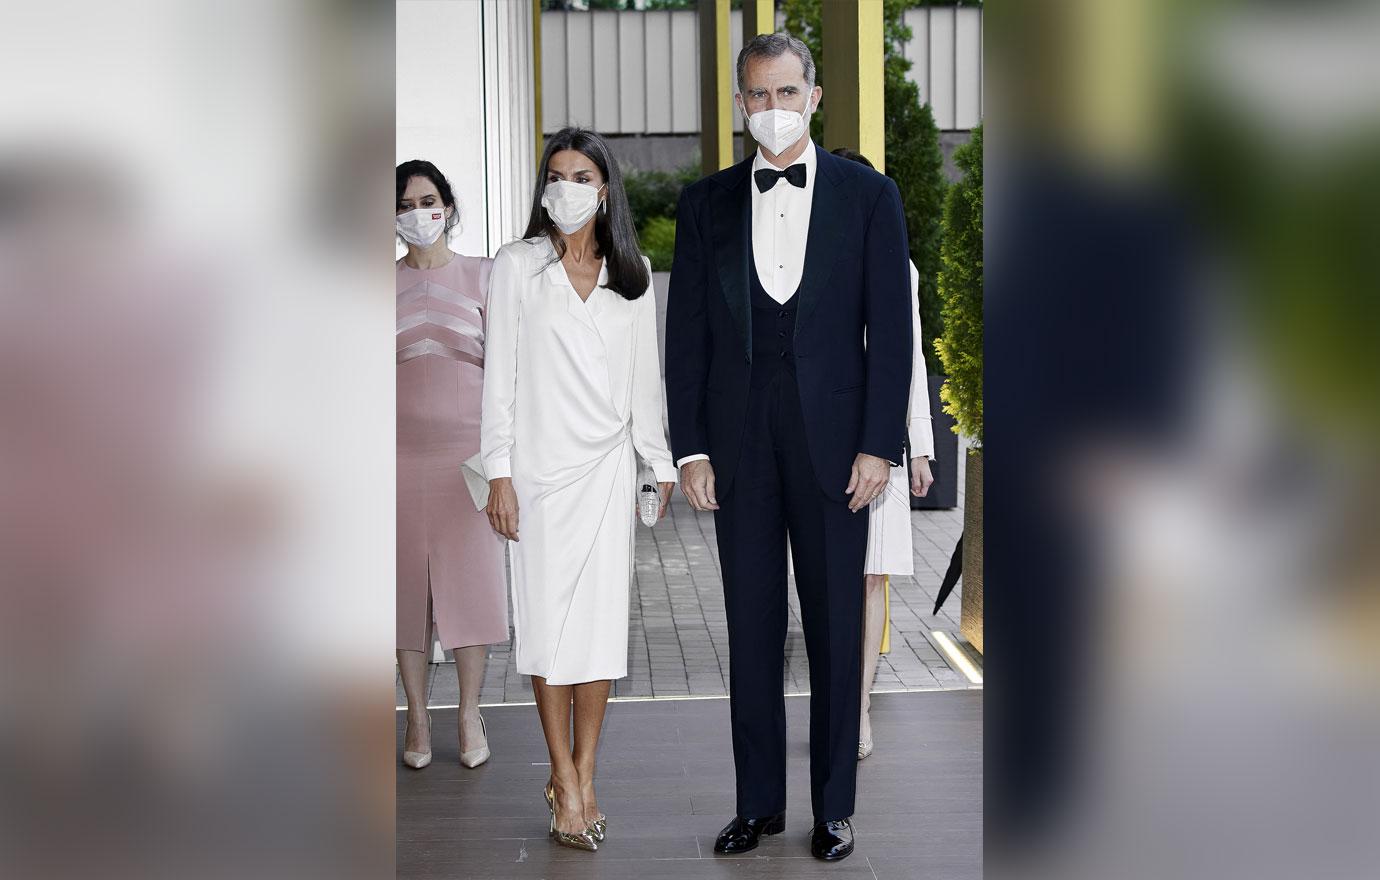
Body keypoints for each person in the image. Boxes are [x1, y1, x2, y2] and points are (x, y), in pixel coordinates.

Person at [665, 33, 913, 863]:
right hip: (737, 446)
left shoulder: (869, 197)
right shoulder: (704, 205)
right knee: (750, 627)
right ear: (740, 106)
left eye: (784, 93)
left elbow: (893, 330)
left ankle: (835, 808)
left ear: (814, 98)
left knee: (839, 629)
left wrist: (883, 444)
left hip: (839, 447)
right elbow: (687, 337)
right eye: (755, 97)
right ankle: (758, 805)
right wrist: (690, 448)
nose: (770, 111)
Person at [480, 127, 677, 853]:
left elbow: (644, 385)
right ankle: (560, 774)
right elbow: (497, 377)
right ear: (543, 187)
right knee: (548, 630)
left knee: (597, 632)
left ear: (606, 188)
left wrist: (655, 465)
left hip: (605, 473)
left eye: (583, 174)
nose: (567, 186)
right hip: (535, 475)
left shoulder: (635, 273)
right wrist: (496, 472)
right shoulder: (516, 266)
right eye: (556, 174)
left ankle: (586, 773)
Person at [395, 159, 507, 771]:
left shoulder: (486, 277)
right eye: (406, 203)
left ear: (449, 206)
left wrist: (503, 458)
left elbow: (509, 372)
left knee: (470, 590)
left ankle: (468, 711)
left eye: (428, 200)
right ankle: (414, 715)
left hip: (469, 459)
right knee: (402, 595)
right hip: (394, 458)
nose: (418, 213)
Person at [830, 148, 938, 762]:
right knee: (835, 579)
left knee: (874, 577)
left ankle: (860, 707)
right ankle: (837, 699)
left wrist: (919, 446)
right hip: (828, 440)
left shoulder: (904, 268)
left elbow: (912, 360)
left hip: (885, 445)